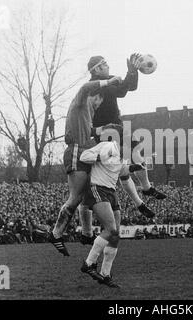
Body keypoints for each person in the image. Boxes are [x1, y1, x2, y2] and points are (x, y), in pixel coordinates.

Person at [78, 54, 166, 245]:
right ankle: (142, 195)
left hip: (114, 127)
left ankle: (146, 190)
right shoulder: (99, 85)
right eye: (105, 64)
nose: (108, 66)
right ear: (97, 69)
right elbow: (125, 89)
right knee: (124, 168)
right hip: (105, 132)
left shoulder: (105, 84)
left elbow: (129, 87)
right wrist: (132, 71)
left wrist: (133, 73)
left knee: (133, 158)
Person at [48, 76, 123, 256]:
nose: (97, 107)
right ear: (94, 96)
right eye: (98, 103)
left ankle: (86, 233)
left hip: (84, 151)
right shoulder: (80, 103)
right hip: (76, 151)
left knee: (87, 194)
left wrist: (107, 127)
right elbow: (84, 87)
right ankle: (56, 234)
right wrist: (109, 81)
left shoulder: (87, 114)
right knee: (76, 197)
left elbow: (88, 131)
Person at [79, 131, 145, 288]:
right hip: (98, 188)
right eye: (131, 146)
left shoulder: (121, 156)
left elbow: (121, 170)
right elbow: (84, 156)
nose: (132, 149)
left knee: (115, 236)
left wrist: (136, 167)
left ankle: (105, 274)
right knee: (110, 229)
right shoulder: (108, 146)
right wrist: (100, 157)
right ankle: (88, 263)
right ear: (123, 143)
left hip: (111, 192)